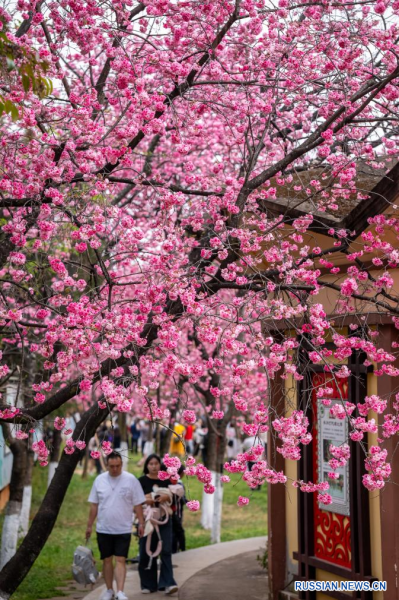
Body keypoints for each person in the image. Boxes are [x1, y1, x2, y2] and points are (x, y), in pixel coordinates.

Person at [86, 451, 146, 600]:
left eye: (117, 466)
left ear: (121, 464)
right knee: (106, 560)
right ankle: (108, 590)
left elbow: (138, 503)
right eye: (111, 466)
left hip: (123, 527)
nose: (114, 469)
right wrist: (89, 526)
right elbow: (94, 505)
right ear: (106, 465)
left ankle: (120, 591)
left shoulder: (131, 480)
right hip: (103, 527)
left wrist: (141, 522)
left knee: (120, 559)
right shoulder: (99, 480)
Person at [138, 454, 178, 595]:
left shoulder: (166, 480)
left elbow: (175, 496)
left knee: (166, 550)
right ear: (147, 466)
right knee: (147, 550)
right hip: (147, 520)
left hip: (164, 519)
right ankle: (148, 584)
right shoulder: (141, 481)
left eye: (156, 463)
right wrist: (147, 499)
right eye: (151, 464)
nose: (154, 466)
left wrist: (167, 497)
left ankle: (168, 583)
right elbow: (136, 500)